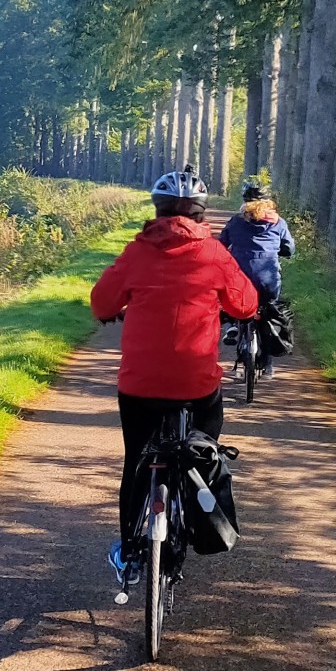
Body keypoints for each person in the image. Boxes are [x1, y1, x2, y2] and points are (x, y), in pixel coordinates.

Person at [90, 169, 258, 585]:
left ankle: (129, 551)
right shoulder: (215, 254)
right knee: (204, 451)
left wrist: (119, 306)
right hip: (196, 382)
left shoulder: (138, 251)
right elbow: (245, 304)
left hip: (140, 385)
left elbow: (101, 302)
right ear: (201, 214)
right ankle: (196, 514)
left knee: (136, 461)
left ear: (156, 209)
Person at [217, 184, 296, 378]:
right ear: (269, 202)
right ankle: (268, 366)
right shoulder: (278, 223)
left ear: (245, 201)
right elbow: (289, 249)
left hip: (240, 279)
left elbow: (221, 244)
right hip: (268, 279)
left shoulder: (236, 221)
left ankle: (233, 326)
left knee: (233, 301)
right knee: (267, 313)